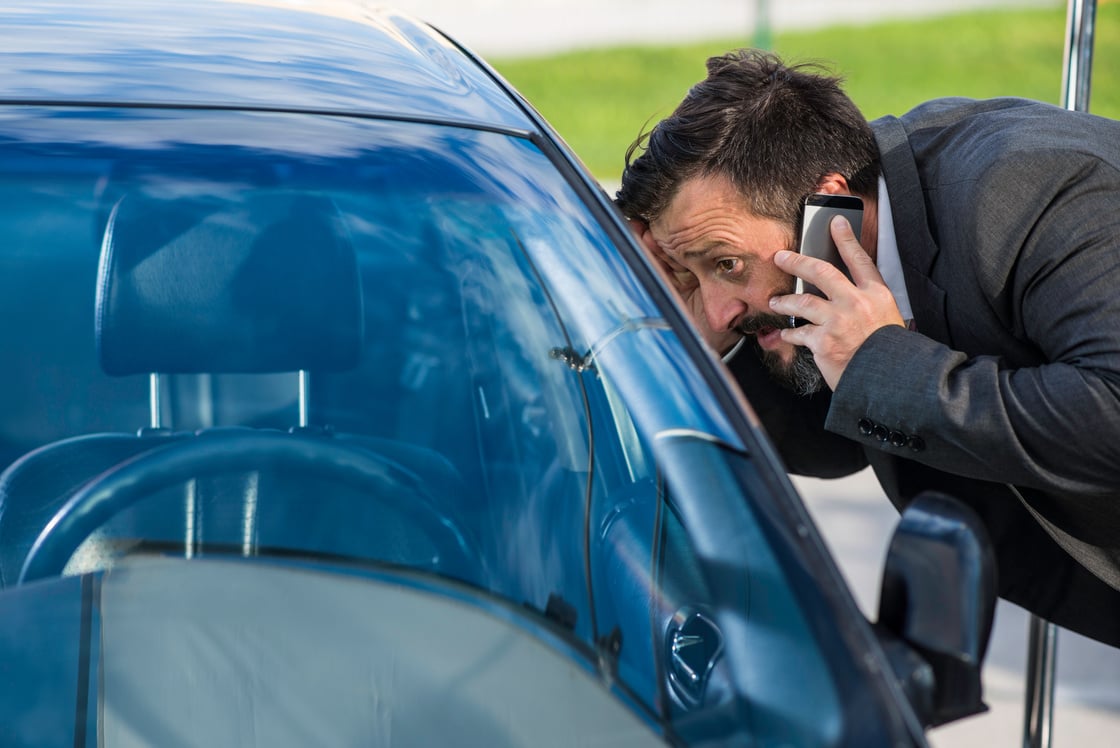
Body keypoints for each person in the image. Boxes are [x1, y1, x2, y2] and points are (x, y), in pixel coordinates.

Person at [615, 49, 1120, 648]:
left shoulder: (1033, 192)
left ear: (830, 204)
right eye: (693, 273)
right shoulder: (831, 255)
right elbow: (832, 448)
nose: (721, 305)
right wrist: (684, 324)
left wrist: (882, 363)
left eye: (726, 263)